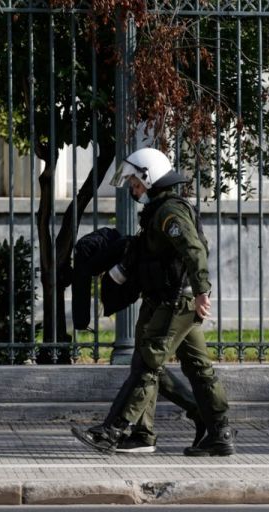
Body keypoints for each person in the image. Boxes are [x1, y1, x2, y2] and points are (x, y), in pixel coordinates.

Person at [71, 147, 235, 457]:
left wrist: (202, 290)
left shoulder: (170, 212)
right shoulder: (157, 211)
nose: (133, 189)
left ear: (149, 177)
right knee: (196, 367)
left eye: (135, 182)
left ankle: (113, 430)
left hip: (177, 302)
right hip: (167, 300)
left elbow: (194, 249)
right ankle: (215, 431)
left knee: (147, 365)